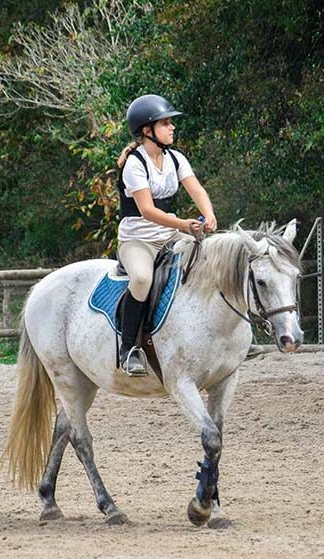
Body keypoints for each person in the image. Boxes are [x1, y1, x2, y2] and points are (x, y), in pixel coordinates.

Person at [115, 94, 217, 374]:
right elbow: (146, 210)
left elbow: (196, 189)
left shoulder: (175, 158)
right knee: (142, 278)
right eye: (166, 123)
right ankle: (128, 350)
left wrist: (208, 214)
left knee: (209, 261)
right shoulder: (135, 164)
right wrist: (183, 225)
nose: (172, 128)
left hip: (170, 234)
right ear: (147, 131)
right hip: (139, 239)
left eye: (171, 123)